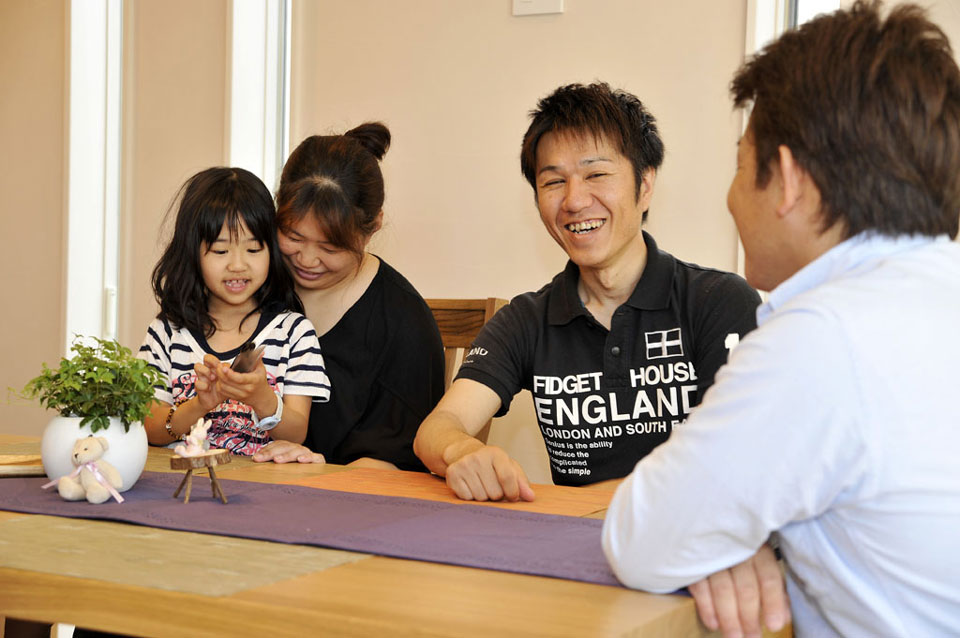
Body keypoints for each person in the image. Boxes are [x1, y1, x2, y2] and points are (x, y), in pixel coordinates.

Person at [602, 2, 960, 636]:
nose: (731, 196)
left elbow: (641, 538)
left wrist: (717, 537)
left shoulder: (825, 337)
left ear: (788, 179)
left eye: (741, 166)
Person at [413, 82, 761, 497]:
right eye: (553, 182)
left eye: (596, 174)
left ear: (645, 184)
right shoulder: (527, 319)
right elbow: (437, 428)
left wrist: (596, 503)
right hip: (576, 534)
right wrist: (463, 450)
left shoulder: (719, 302)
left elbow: (730, 458)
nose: (574, 201)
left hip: (690, 533)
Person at [252, 122, 445, 470]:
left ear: (372, 228)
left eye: (330, 247)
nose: (307, 260)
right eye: (293, 237)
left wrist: (317, 475)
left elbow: (394, 470)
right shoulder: (252, 285)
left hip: (340, 495)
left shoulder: (403, 325)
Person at [139, 167, 331, 456]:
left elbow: (297, 433)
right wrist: (200, 404)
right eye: (220, 251)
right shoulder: (166, 333)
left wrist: (262, 397)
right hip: (182, 479)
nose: (238, 265)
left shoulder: (294, 333)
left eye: (253, 250)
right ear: (192, 252)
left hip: (260, 481)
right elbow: (152, 430)